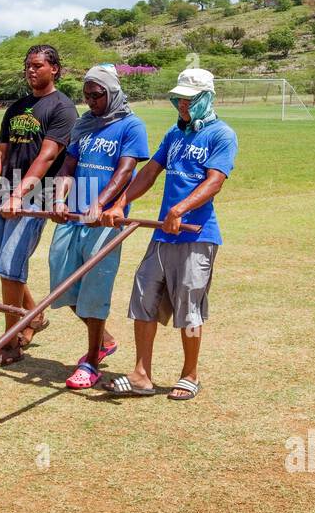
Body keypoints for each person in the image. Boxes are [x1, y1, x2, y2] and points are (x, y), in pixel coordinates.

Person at [98, 68, 237, 400]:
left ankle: (190, 374)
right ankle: (141, 375)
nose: (183, 107)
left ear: (207, 98)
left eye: (189, 100)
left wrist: (179, 209)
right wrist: (121, 202)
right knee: (143, 296)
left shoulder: (222, 135)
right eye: (178, 100)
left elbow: (214, 181)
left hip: (197, 235)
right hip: (163, 235)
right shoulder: (174, 135)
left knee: (189, 304)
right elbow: (149, 172)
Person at [0, 43, 78, 365]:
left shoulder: (63, 108)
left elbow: (48, 156)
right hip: (6, 189)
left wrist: (21, 194)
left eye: (37, 66)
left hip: (37, 193)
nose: (31, 71)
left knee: (10, 264)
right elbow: (0, 151)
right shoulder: (16, 107)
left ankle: (11, 341)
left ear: (54, 69)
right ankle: (34, 316)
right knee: (2, 264)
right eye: (28, 66)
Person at [47, 65, 149, 389]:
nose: (91, 101)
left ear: (112, 92)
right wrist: (59, 199)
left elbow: (125, 171)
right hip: (72, 217)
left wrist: (101, 204)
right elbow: (67, 166)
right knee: (63, 288)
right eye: (87, 95)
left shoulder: (131, 125)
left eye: (97, 95)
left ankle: (91, 361)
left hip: (104, 222)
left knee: (95, 290)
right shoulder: (83, 125)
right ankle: (103, 339)